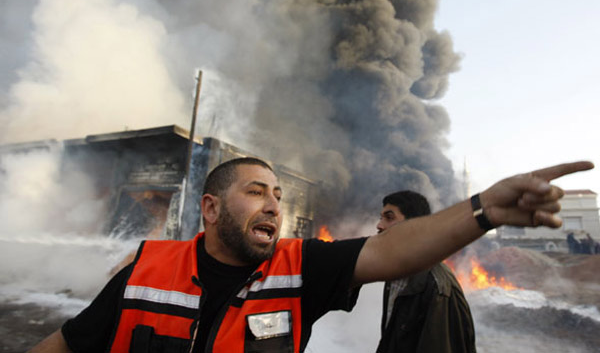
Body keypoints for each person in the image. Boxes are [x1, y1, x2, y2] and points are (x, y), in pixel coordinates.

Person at [28, 158, 593, 353]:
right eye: (256, 191)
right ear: (209, 207)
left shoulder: (299, 270)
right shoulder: (142, 273)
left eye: (278, 194)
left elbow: (393, 251)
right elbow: (66, 344)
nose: (274, 203)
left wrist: (483, 211)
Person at [375, 190, 475, 353]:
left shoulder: (437, 287)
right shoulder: (395, 274)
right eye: (381, 218)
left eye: (389, 217)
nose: (379, 225)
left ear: (415, 226)